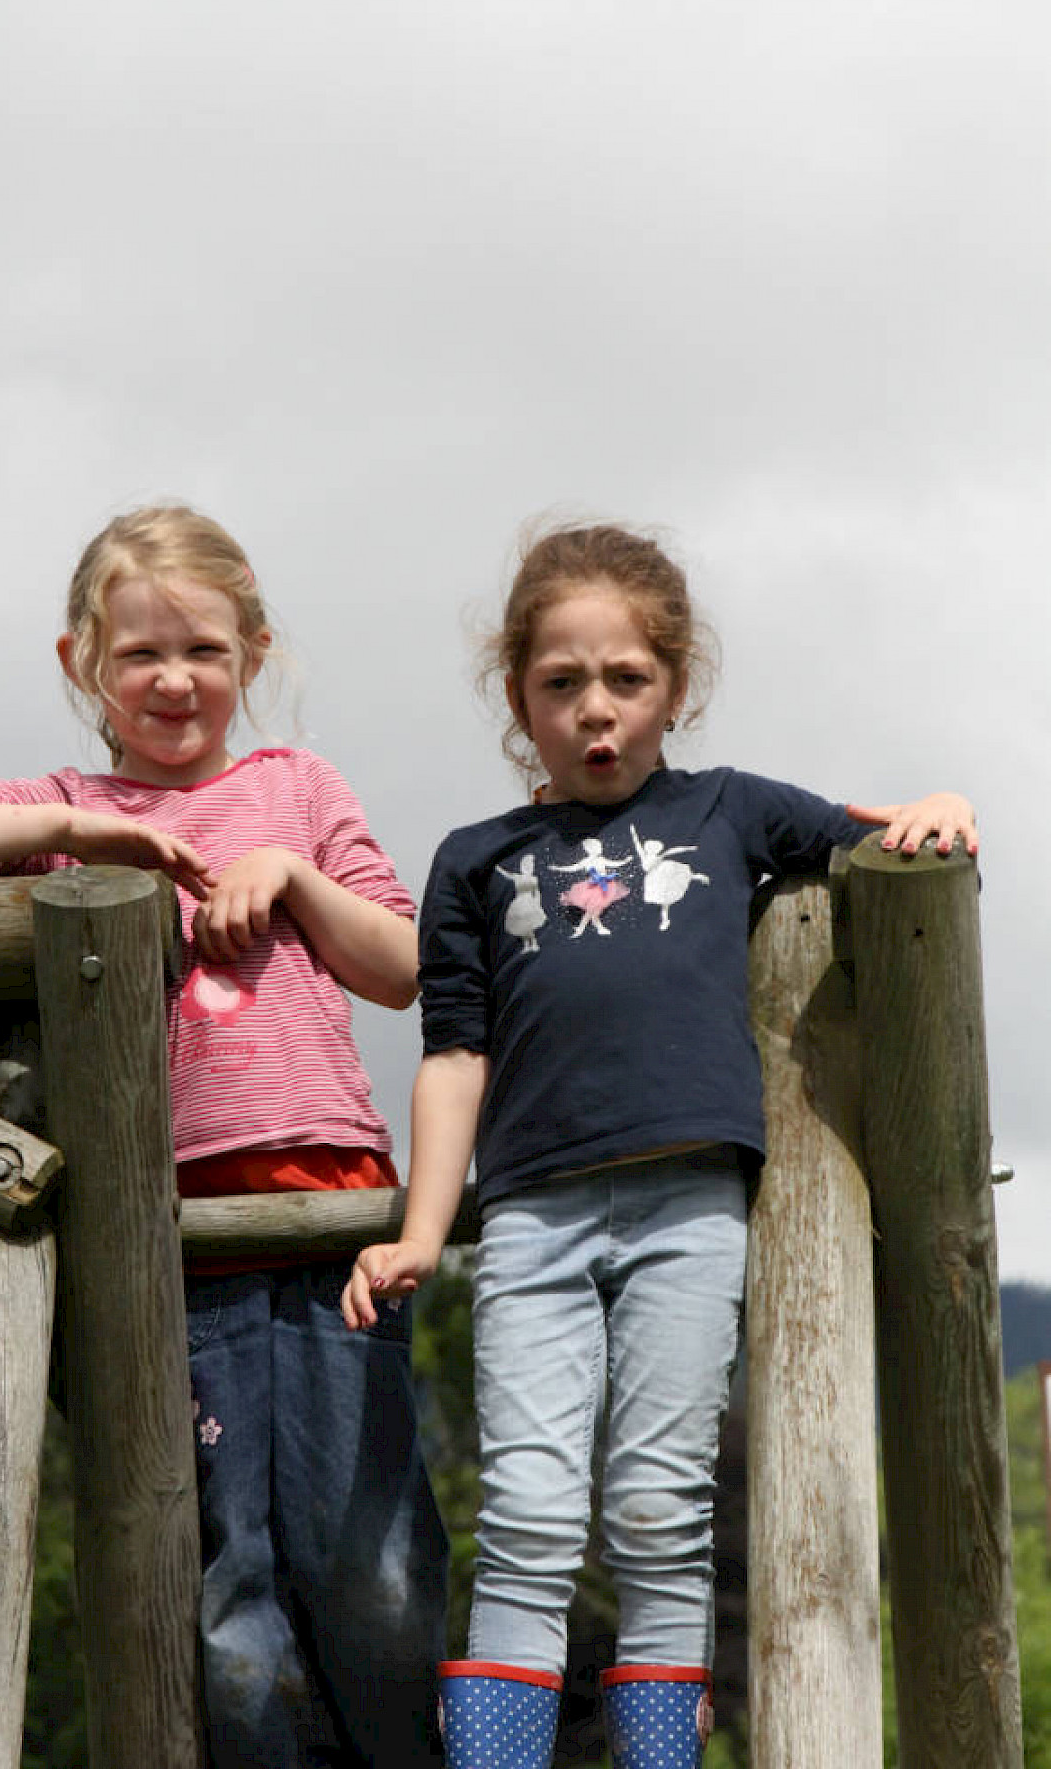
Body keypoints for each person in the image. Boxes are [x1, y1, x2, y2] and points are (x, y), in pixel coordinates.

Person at [340, 522, 976, 1769]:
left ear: (676, 685)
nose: (597, 708)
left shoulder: (730, 809)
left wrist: (942, 807)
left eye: (627, 678)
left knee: (657, 1509)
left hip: (690, 1211)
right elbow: (455, 1055)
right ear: (518, 696)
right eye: (562, 681)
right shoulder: (478, 860)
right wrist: (422, 1230)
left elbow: (877, 842)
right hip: (530, 1220)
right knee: (527, 1514)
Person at [0, 505, 447, 1769]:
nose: (174, 679)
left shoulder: (297, 789)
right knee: (228, 1603)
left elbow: (403, 968)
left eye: (204, 650)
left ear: (254, 654)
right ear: (82, 662)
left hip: (331, 1221)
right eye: (139, 654)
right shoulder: (66, 802)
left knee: (374, 1573)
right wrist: (83, 838)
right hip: (167, 1249)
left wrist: (290, 873)